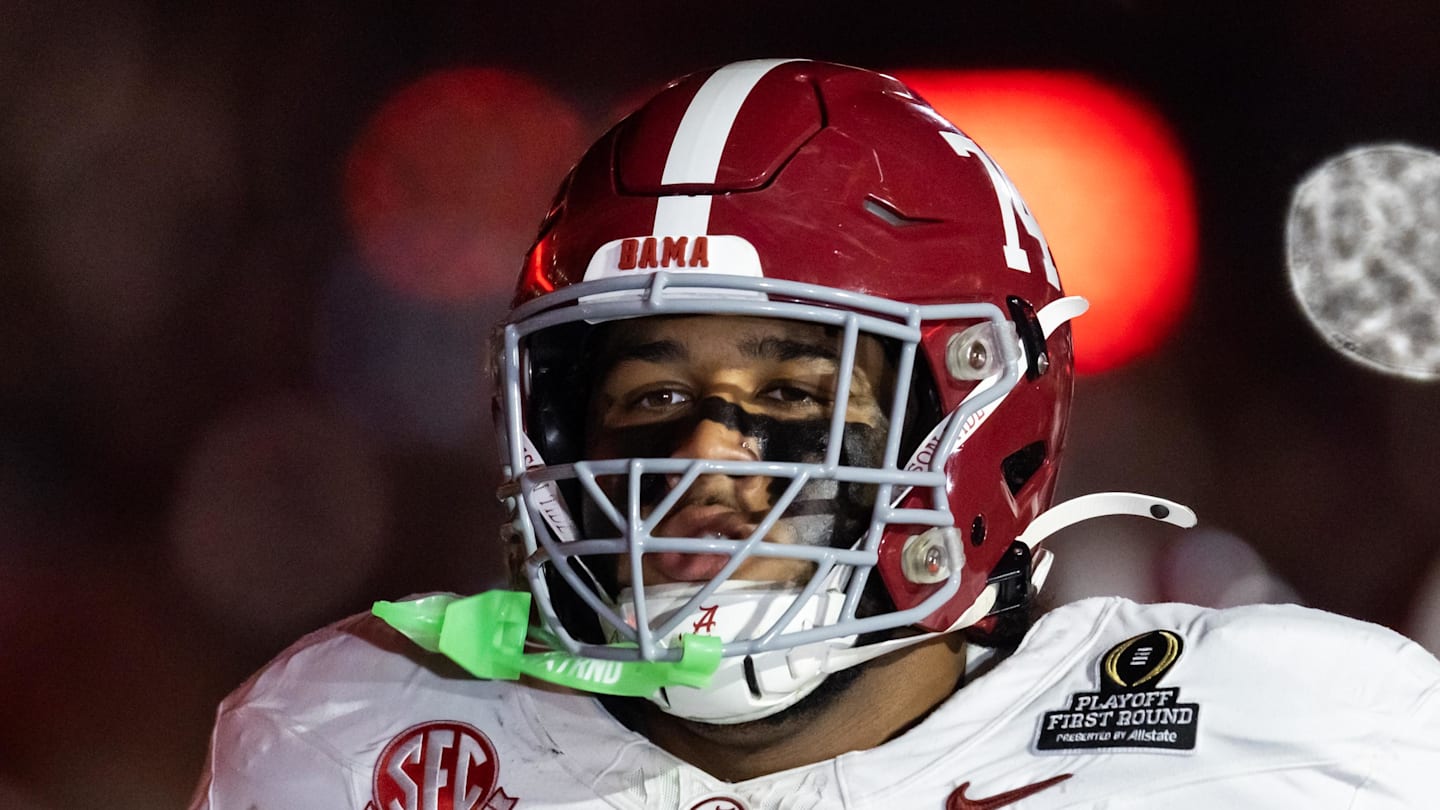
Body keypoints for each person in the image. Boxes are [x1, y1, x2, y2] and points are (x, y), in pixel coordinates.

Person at [189, 59, 1440, 810]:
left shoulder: (1289, 738)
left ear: (973, 415)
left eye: (789, 396)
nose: (703, 465)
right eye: (647, 399)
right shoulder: (351, 744)